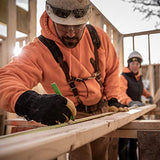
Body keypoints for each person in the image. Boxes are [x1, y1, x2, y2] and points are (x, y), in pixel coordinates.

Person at [0, 0, 127, 159]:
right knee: (82, 156)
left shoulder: (98, 37)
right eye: (64, 26)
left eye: (78, 26)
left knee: (102, 155)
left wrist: (113, 98)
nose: (71, 33)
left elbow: (112, 69)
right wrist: (30, 102)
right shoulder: (39, 50)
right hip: (73, 116)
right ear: (51, 18)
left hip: (101, 111)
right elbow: (5, 80)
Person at [118, 50, 153, 160]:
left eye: (137, 64)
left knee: (134, 140)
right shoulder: (123, 77)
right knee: (123, 142)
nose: (135, 66)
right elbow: (120, 94)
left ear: (139, 66)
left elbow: (142, 90)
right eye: (133, 63)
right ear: (129, 64)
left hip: (137, 111)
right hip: (126, 112)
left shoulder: (138, 78)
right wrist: (130, 102)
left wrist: (149, 96)